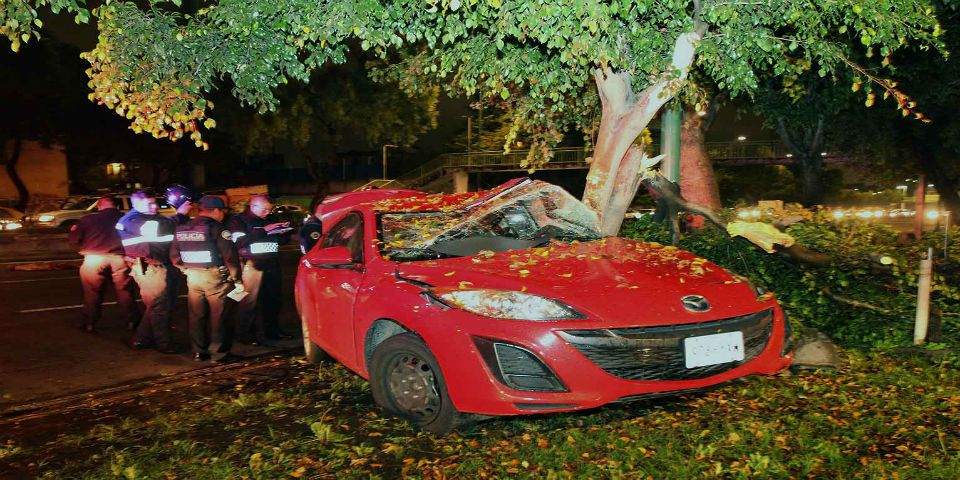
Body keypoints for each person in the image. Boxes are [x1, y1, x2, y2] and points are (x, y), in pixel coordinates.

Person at [171, 196, 241, 362]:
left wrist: (185, 269)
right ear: (216, 211)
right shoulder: (217, 229)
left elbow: (174, 256)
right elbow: (230, 257)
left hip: (193, 277)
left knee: (197, 315)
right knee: (220, 316)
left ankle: (198, 352)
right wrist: (237, 278)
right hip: (215, 278)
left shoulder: (182, 228)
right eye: (222, 211)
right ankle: (219, 353)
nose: (223, 214)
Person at [116, 191, 178, 353]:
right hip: (149, 266)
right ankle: (164, 344)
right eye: (149, 204)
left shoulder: (150, 217)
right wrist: (179, 216)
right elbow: (158, 228)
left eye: (154, 203)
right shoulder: (132, 220)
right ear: (135, 205)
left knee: (157, 305)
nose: (154, 207)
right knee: (160, 305)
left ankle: (141, 339)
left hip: (157, 264)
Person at [68, 196, 140, 332]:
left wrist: (82, 251)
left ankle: (89, 322)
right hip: (119, 258)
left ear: (99, 206)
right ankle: (132, 321)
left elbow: (74, 240)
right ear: (117, 206)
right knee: (125, 291)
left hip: (93, 259)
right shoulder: (126, 219)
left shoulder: (88, 219)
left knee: (92, 292)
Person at [228, 194, 292, 344]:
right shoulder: (238, 220)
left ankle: (272, 331)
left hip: (272, 263)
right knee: (248, 302)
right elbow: (238, 242)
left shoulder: (269, 219)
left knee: (273, 300)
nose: (267, 213)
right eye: (265, 210)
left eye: (270, 210)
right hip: (251, 265)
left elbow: (279, 240)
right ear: (253, 206)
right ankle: (245, 334)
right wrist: (264, 230)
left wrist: (283, 232)